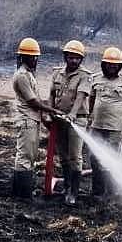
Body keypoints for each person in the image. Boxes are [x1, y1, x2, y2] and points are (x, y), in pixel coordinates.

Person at [12, 37, 62, 189]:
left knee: (31, 155)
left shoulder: (29, 74)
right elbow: (33, 102)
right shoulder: (21, 76)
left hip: (33, 120)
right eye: (30, 57)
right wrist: (52, 110)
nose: (34, 60)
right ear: (22, 57)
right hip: (26, 121)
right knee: (25, 156)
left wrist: (45, 120)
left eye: (35, 57)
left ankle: (25, 189)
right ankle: (22, 192)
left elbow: (36, 104)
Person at [87, 46, 122, 196]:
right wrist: (89, 117)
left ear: (119, 66)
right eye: (109, 64)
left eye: (115, 65)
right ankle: (97, 191)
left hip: (115, 128)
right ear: (103, 64)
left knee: (113, 160)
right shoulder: (95, 79)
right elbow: (91, 99)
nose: (111, 67)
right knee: (94, 158)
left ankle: (112, 191)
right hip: (97, 126)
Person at [50, 40, 93, 205]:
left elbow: (81, 96)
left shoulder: (85, 76)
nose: (73, 60)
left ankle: (74, 192)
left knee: (75, 156)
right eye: (71, 57)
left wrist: (73, 114)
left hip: (77, 119)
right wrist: (50, 112)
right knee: (63, 156)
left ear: (81, 59)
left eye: (77, 58)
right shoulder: (57, 73)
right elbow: (52, 95)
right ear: (65, 57)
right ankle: (66, 187)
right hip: (59, 119)